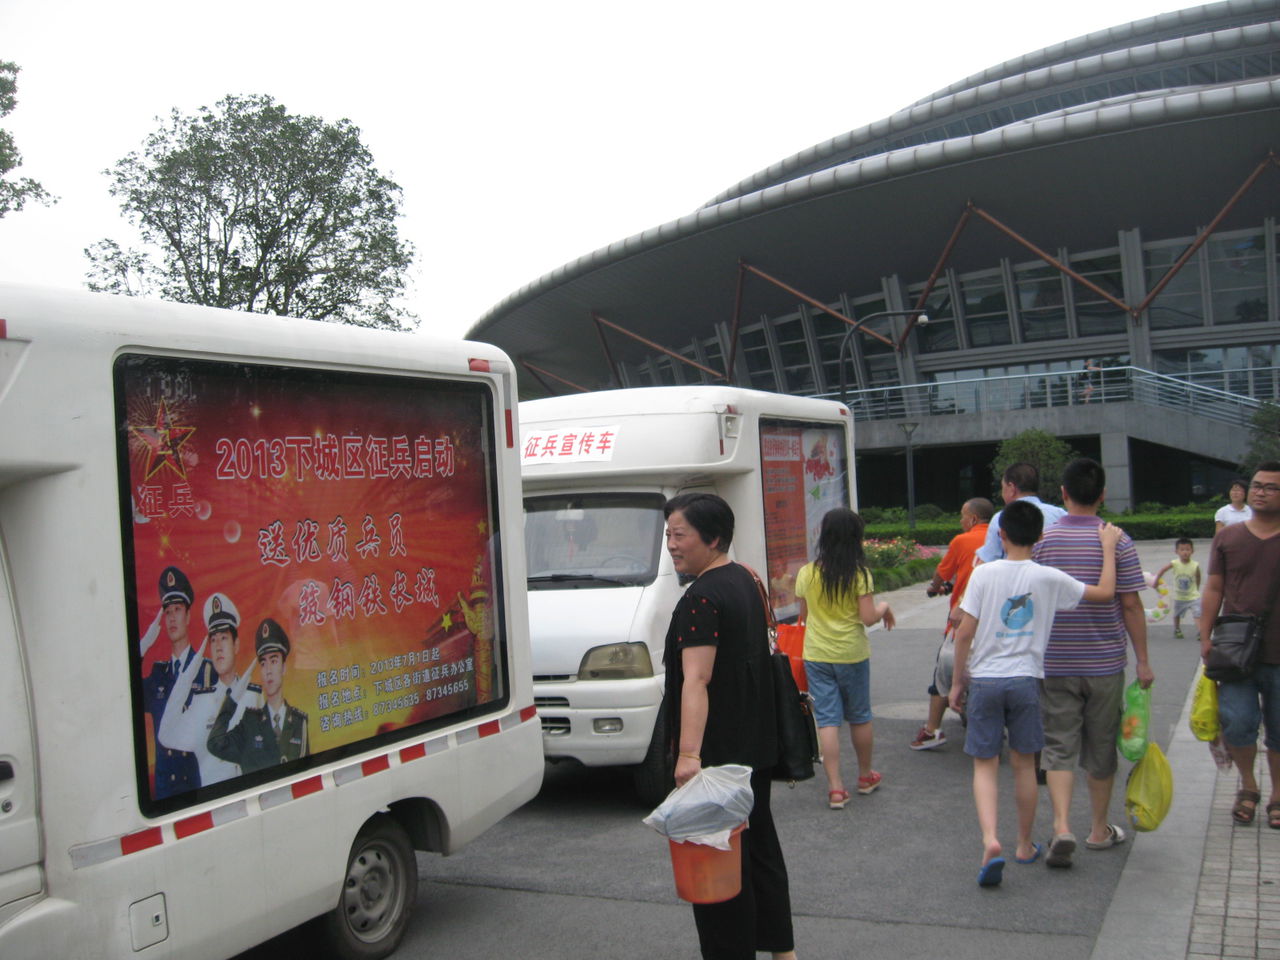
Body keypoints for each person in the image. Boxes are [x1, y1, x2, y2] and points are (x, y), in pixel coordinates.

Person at [949, 500, 1123, 887]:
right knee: (1026, 764)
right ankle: (1024, 844)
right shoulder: (1049, 577)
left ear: (1001, 534)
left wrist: (959, 681)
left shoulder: (983, 574)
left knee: (984, 765)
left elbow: (964, 632)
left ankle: (990, 839)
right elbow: (1105, 593)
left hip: (987, 680)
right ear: (1041, 537)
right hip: (1027, 680)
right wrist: (1108, 549)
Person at [662, 492, 796, 960]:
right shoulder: (747, 578)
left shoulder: (701, 597)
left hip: (719, 754)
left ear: (713, 537)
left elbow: (696, 679)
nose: (672, 546)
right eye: (668, 536)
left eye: (680, 535)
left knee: (717, 869)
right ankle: (783, 952)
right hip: (756, 743)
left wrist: (688, 756)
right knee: (759, 850)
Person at [1034, 457, 1153, 867]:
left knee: (1059, 745)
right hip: (1104, 663)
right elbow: (1132, 604)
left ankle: (1062, 825)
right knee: (1102, 748)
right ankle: (1099, 830)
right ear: (1102, 494)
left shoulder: (1044, 540)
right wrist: (1143, 661)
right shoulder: (1117, 540)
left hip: (1055, 662)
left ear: (1063, 493)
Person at [794, 508, 895, 807]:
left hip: (817, 654)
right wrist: (884, 605)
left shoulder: (807, 573)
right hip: (851, 653)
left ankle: (836, 788)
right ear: (856, 538)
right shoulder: (859, 574)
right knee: (860, 716)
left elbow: (804, 616)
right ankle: (865, 776)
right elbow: (867, 618)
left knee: (827, 720)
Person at [1199, 461, 1280, 828]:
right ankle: (1248, 785)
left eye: (1271, 487)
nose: (1260, 491)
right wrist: (1204, 636)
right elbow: (1214, 588)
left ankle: (1278, 794)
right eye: (1257, 485)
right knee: (1237, 722)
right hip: (1236, 651)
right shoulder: (1227, 538)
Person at [910, 497, 993, 751]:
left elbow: (942, 573)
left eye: (962, 515)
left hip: (964, 621)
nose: (960, 520)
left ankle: (932, 729)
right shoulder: (1002, 537)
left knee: (943, 674)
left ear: (973, 519)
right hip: (996, 625)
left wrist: (935, 587)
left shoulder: (962, 540)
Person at [157, 591, 263, 787]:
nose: (218, 647)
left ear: (236, 644)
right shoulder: (200, 702)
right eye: (213, 640)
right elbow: (166, 735)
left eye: (223, 638)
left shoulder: (254, 697)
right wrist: (186, 677)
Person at [142, 565, 216, 799]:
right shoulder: (158, 675)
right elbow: (124, 693)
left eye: (177, 609)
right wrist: (143, 645)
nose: (172, 617)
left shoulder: (207, 672)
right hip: (164, 793)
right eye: (167, 612)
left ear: (188, 615)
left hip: (197, 787)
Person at [208, 618, 310, 773]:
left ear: (283, 667)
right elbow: (215, 743)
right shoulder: (250, 723)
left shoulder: (299, 722)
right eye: (263, 663)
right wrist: (232, 700)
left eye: (274, 661)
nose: (268, 670)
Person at [975, 463, 1067, 563]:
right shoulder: (1060, 514)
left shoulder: (1001, 517)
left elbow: (988, 560)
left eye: (1002, 487)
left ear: (1011, 487)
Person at [1153, 537, 1202, 639]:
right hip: (1180, 597)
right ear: (1177, 551)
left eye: (1187, 549)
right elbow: (1163, 570)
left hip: (1193, 596)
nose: (1185, 552)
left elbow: (1198, 576)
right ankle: (1177, 629)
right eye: (1182, 550)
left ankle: (1201, 631)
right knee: (1177, 614)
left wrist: (1197, 587)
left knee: (1197, 613)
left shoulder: (1195, 565)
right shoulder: (1175, 563)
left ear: (1192, 551)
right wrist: (1156, 580)